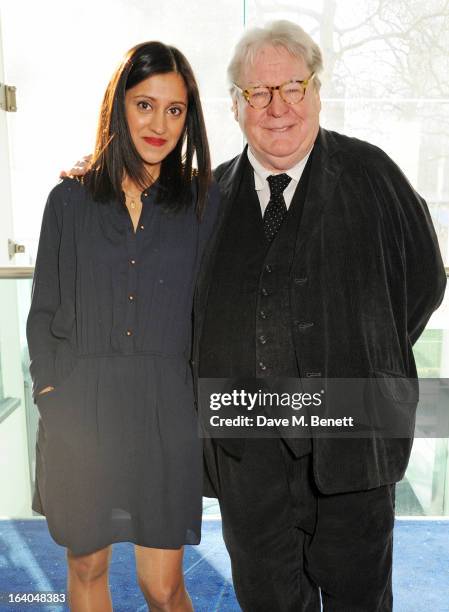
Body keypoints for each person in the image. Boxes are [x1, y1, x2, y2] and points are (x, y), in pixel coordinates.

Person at [64, 20, 447, 612]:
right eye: (258, 93)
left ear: (315, 90)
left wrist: (365, 353)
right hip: (249, 457)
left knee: (360, 600)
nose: (277, 108)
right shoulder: (206, 199)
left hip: (354, 448)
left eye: (292, 87)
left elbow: (424, 280)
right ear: (237, 106)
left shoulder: (375, 177)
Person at [27, 41, 217, 612]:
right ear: (119, 106)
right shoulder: (69, 200)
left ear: (189, 117)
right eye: (145, 104)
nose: (160, 123)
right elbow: (45, 310)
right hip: (82, 413)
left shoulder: (204, 203)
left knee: (163, 586)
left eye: (175, 109)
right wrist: (51, 394)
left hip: (167, 412)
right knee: (87, 566)